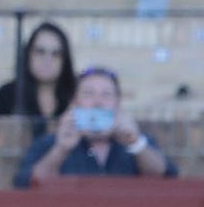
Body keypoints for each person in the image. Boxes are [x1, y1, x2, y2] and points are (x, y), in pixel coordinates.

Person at [13, 67, 178, 189]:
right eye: (88, 94)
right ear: (74, 104)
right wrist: (61, 150)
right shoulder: (50, 143)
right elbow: (25, 186)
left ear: (118, 105)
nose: (97, 102)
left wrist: (135, 143)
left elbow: (168, 178)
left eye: (106, 95)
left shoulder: (139, 142)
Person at [0, 21, 76, 139]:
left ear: (64, 60)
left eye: (56, 54)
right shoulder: (8, 93)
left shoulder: (75, 94)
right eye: (40, 52)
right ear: (28, 55)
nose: (47, 60)